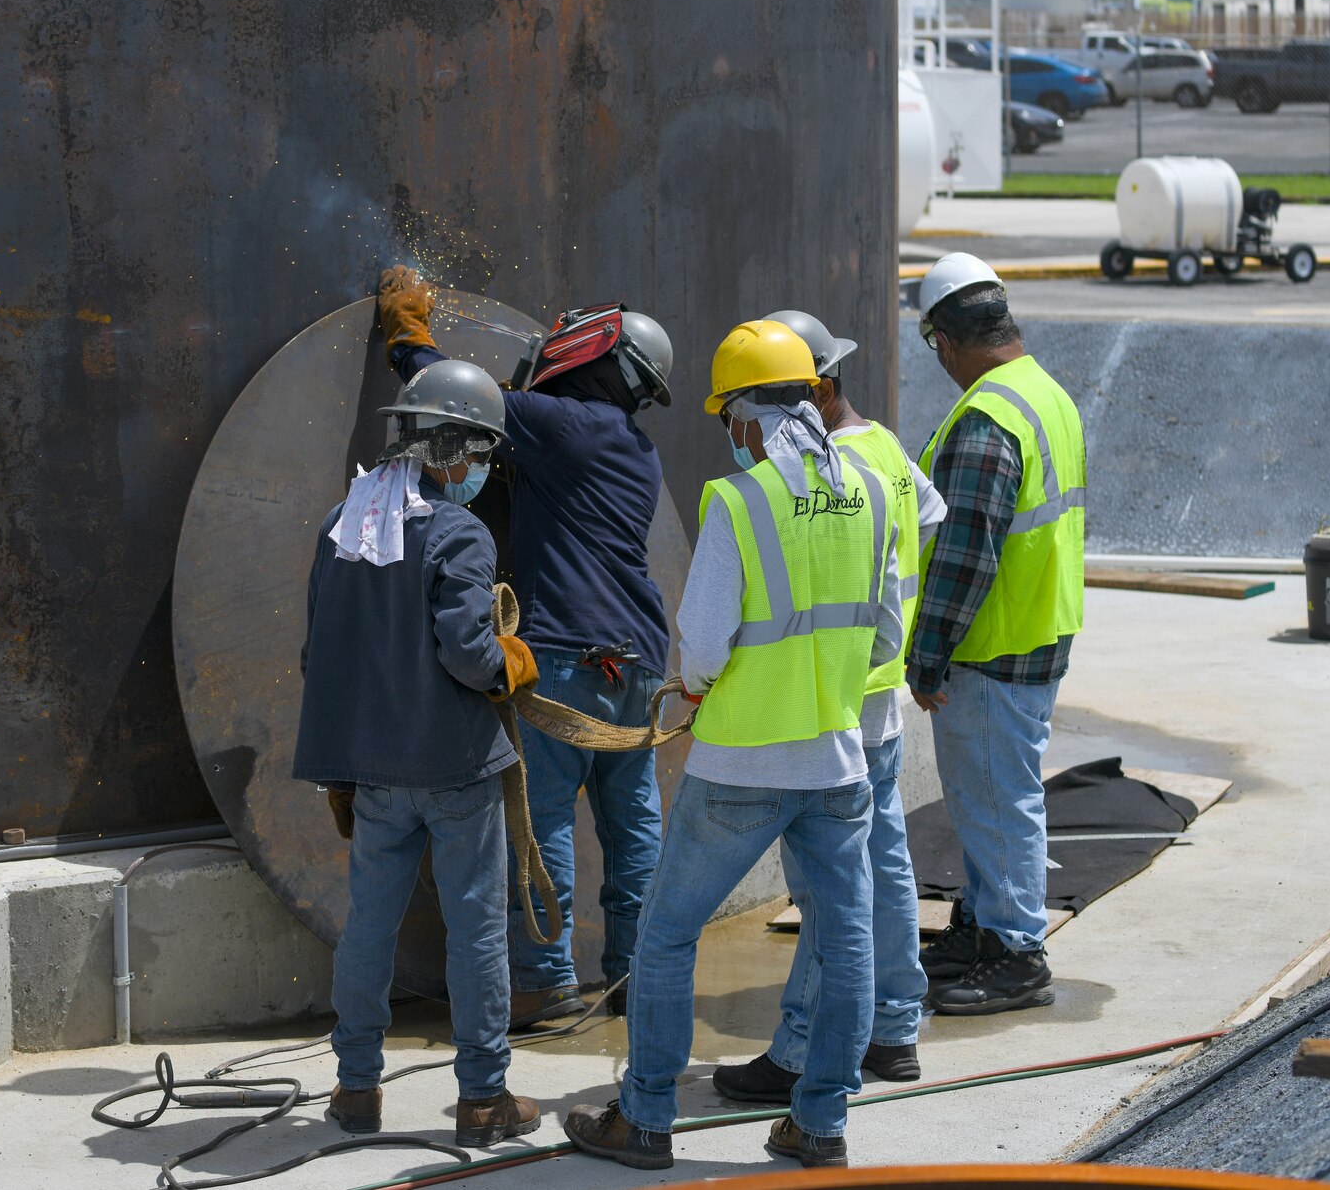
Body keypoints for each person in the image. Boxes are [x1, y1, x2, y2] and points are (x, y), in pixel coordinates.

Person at [564, 320, 901, 1172]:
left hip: (741, 762)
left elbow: (705, 646)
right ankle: (820, 1125)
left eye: (728, 419)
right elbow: (884, 628)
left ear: (747, 413)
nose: (731, 436)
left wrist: (704, 681)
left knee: (669, 936)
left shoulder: (739, 500)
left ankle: (644, 1118)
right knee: (845, 938)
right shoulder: (871, 490)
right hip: (839, 758)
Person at [376, 267, 676, 1027]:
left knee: (540, 827)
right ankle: (636, 979)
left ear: (593, 354)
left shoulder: (561, 423)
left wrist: (408, 335)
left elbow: (459, 401)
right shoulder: (635, 449)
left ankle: (544, 982)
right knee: (633, 829)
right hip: (636, 657)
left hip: (568, 655)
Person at [291, 359, 543, 1148]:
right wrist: (513, 660)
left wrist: (341, 761)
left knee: (370, 924)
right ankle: (483, 1098)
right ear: (454, 448)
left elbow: (319, 652)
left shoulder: (344, 523)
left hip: (371, 767)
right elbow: (469, 654)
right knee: (475, 928)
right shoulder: (458, 529)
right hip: (455, 764)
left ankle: (356, 1088)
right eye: (480, 454)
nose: (481, 471)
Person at [712, 309, 945, 1109]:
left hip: (835, 697)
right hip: (876, 688)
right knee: (884, 866)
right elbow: (933, 518)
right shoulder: (882, 449)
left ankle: (803, 1046)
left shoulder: (821, 473)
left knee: (830, 888)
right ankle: (896, 1026)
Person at [907, 253, 1087, 1017]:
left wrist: (928, 655)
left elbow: (964, 552)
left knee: (998, 798)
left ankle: (1016, 950)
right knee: (989, 796)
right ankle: (981, 926)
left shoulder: (988, 418)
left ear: (946, 341)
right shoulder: (1047, 393)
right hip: (1039, 628)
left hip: (992, 644)